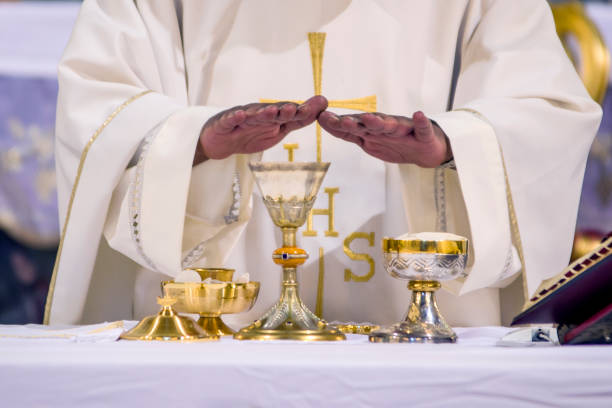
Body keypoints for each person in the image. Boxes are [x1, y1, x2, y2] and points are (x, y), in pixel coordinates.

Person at [45, 0, 601, 328]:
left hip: (422, 342)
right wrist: (196, 143)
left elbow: (546, 110)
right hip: (212, 332)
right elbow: (99, 102)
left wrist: (452, 147)